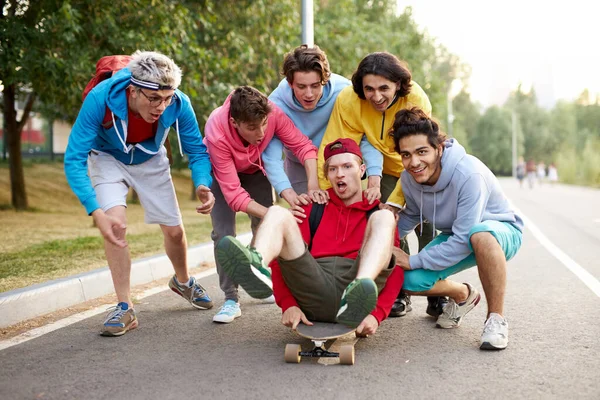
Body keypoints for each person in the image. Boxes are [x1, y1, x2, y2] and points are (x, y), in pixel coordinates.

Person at [64, 51, 216, 337]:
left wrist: (201, 183)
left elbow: (197, 150)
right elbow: (73, 159)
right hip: (107, 156)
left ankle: (182, 282)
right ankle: (125, 307)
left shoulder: (179, 103)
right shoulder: (100, 98)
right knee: (116, 225)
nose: (161, 107)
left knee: (174, 232)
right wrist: (96, 212)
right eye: (153, 99)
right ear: (133, 90)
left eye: (167, 98)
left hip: (149, 156)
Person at [215, 138, 404, 335]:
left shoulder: (377, 211)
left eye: (348, 166)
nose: (340, 174)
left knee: (385, 216)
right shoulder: (313, 206)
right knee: (278, 213)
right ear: (327, 175)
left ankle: (359, 288)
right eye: (333, 169)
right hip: (313, 284)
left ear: (362, 169)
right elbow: (284, 260)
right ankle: (257, 264)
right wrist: (288, 304)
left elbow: (396, 267)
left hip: (358, 285)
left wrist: (377, 314)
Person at [317, 51, 444, 318]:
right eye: (369, 89)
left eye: (384, 88)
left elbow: (415, 153)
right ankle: (400, 293)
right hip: (385, 168)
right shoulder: (349, 101)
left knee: (426, 227)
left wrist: (401, 197)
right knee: (391, 225)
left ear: (398, 84)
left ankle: (437, 293)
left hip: (416, 165)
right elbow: (338, 146)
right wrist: (326, 190)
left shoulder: (416, 99)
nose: (376, 97)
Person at [389, 108, 524, 350]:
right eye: (406, 155)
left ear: (438, 148)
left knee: (479, 235)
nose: (414, 162)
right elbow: (408, 216)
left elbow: (465, 238)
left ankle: (496, 319)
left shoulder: (468, 174)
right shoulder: (409, 178)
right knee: (407, 280)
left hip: (500, 232)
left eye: (422, 152)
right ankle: (463, 295)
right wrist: (377, 246)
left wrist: (413, 259)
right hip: (457, 235)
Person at [204, 85, 325, 323]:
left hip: (254, 170)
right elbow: (234, 196)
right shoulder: (217, 130)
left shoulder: (273, 113)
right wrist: (276, 214)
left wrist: (313, 186)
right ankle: (231, 299)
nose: (260, 133)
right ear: (235, 122)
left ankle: (257, 269)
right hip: (222, 174)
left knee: (263, 226)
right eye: (252, 127)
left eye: (263, 124)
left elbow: (303, 146)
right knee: (223, 234)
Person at [264, 44, 383, 206]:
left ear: (325, 80)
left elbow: (366, 135)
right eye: (301, 86)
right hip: (299, 167)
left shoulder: (345, 91)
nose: (309, 94)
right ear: (290, 83)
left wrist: (374, 176)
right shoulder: (275, 105)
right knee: (309, 218)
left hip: (339, 164)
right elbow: (271, 157)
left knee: (344, 219)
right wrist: (288, 192)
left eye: (315, 85)